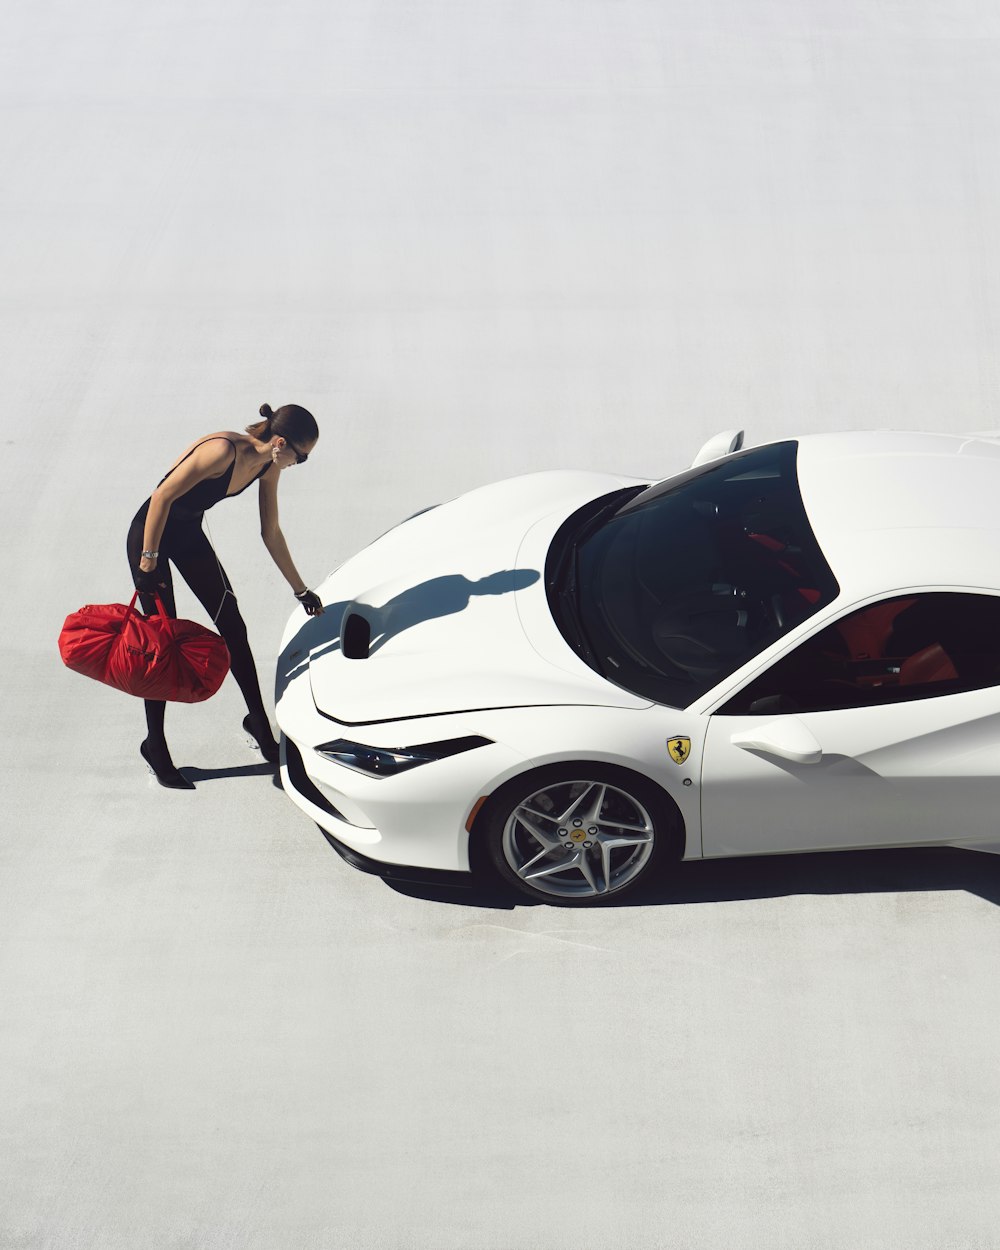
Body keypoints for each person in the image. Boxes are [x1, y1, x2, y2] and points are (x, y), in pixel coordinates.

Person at [127, 402, 325, 790]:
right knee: (161, 645)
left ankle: (259, 727)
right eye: (301, 458)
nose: (299, 465)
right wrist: (148, 563)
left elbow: (271, 532)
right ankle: (155, 745)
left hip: (186, 537)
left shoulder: (269, 465)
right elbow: (162, 497)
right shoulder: (222, 451)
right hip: (150, 536)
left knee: (234, 627)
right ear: (281, 442)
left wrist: (300, 588)